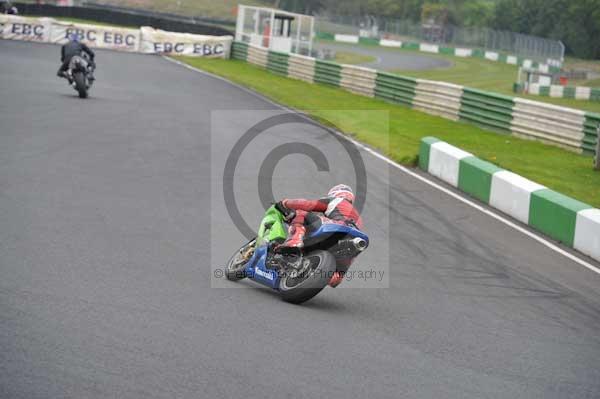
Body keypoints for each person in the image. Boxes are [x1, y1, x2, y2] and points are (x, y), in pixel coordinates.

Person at [274, 184, 363, 252]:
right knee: (338, 270)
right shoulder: (358, 218)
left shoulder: (336, 200)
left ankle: (294, 240)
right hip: (352, 239)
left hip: (339, 226)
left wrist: (285, 203)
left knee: (301, 214)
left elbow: (308, 205)